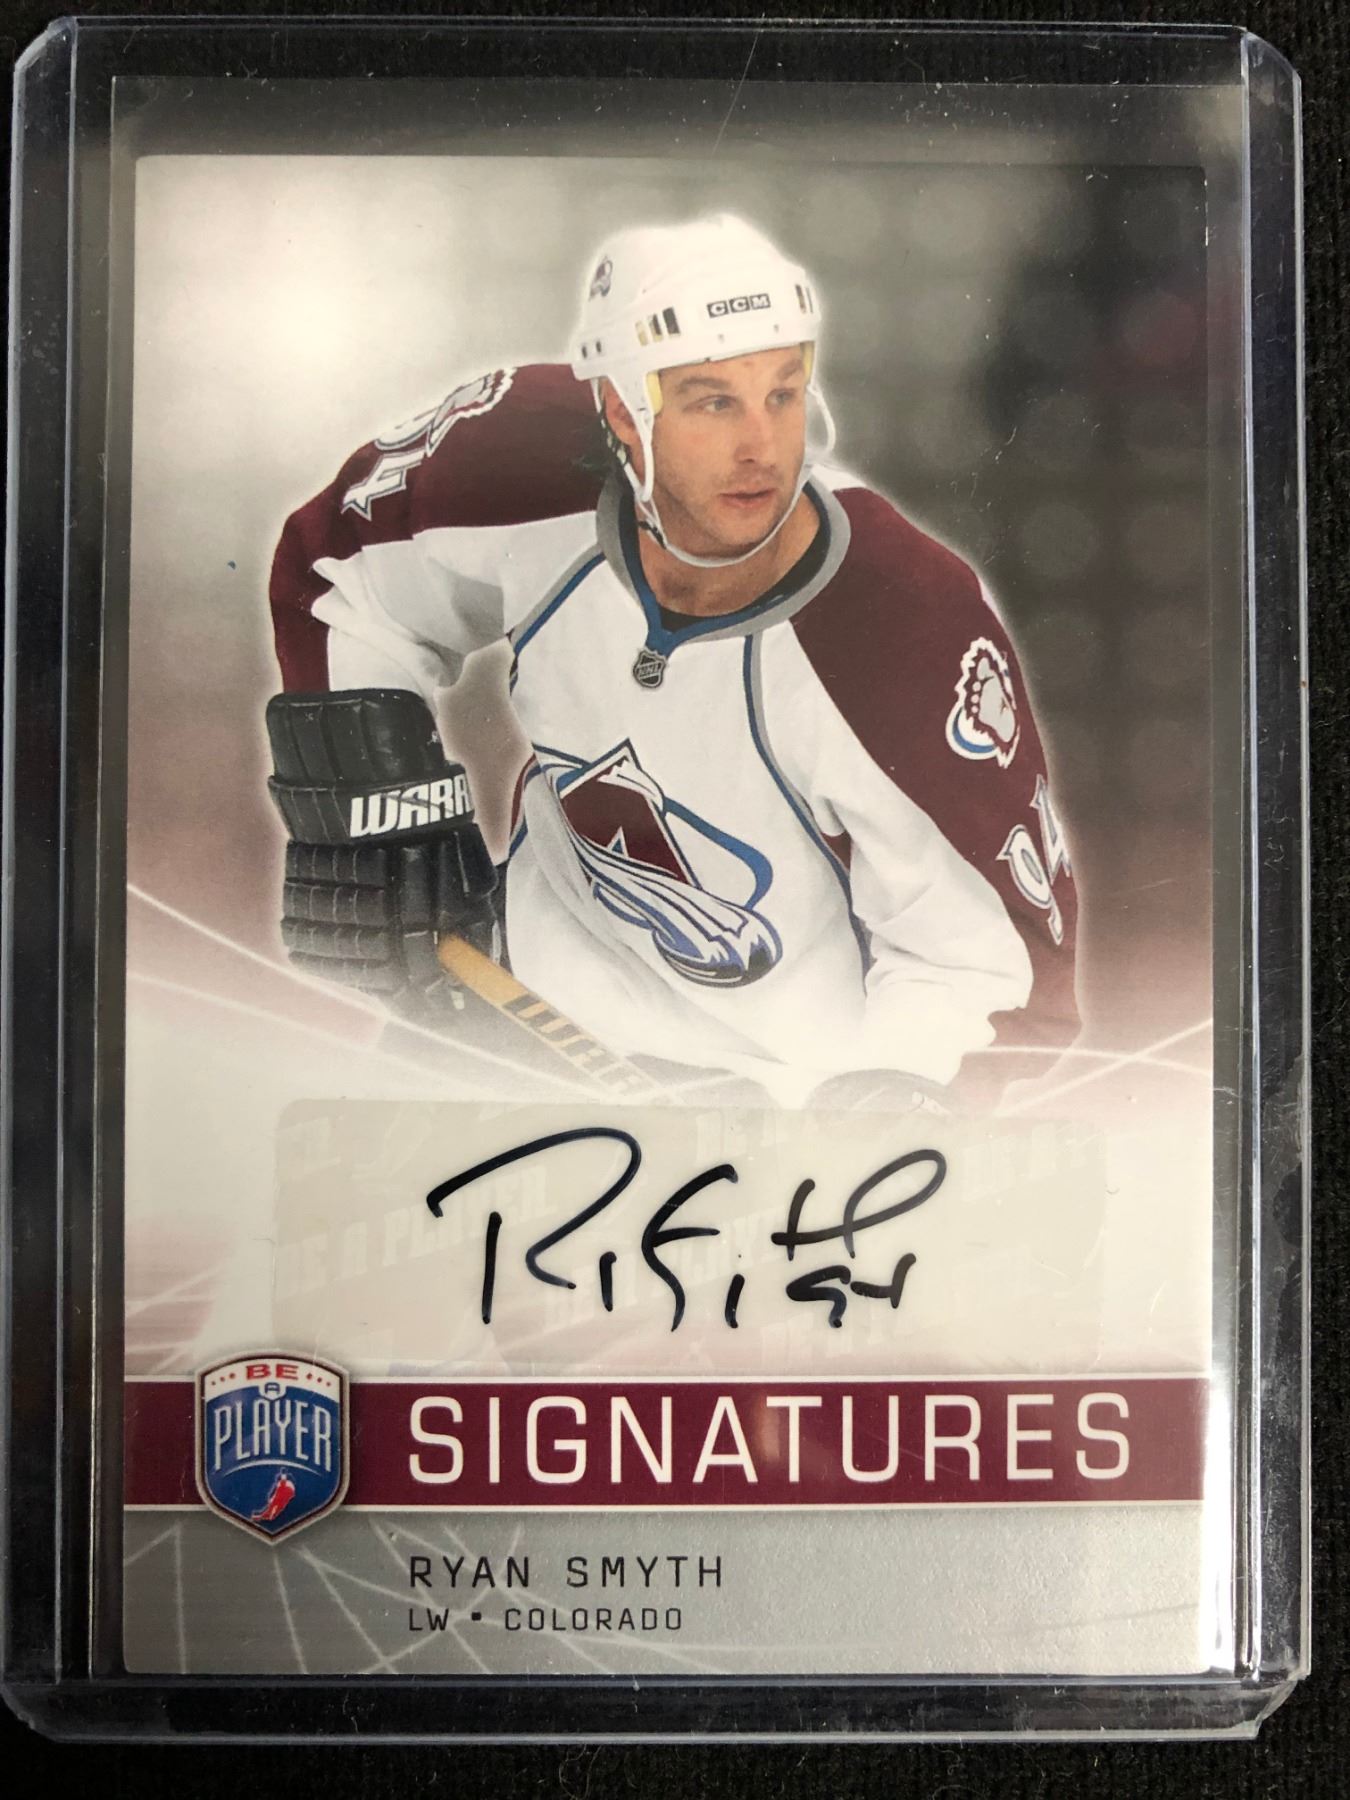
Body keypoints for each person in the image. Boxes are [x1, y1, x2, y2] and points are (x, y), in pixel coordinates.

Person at [265, 214, 1077, 1108]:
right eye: (712, 401)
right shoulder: (518, 461)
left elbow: (989, 970)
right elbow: (338, 573)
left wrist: (888, 1102)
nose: (761, 446)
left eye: (782, 392)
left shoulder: (906, 620)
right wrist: (377, 812)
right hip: (516, 1025)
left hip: (785, 1105)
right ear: (621, 411)